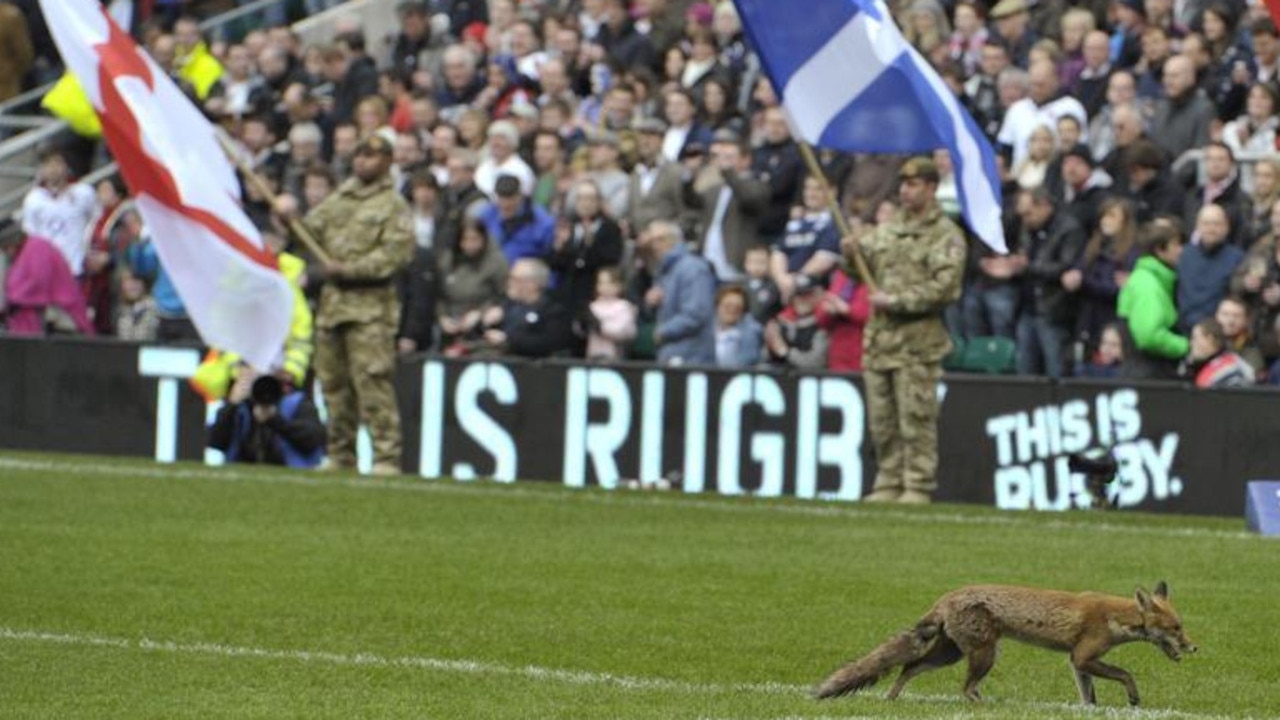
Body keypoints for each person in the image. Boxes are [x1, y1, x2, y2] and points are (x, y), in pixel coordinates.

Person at [843, 157, 966, 504]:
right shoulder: (887, 230)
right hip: (880, 342)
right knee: (882, 421)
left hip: (917, 343)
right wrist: (852, 255)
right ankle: (888, 479)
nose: (905, 191)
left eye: (913, 185)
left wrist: (896, 300)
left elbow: (945, 288)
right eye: (903, 184)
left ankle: (917, 484)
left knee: (916, 419)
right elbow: (860, 270)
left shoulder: (945, 235)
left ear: (931, 188)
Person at [298, 134, 415, 475]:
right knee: (334, 385)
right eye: (360, 154)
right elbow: (307, 231)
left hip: (371, 310)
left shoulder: (393, 204)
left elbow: (395, 256)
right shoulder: (339, 199)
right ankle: (340, 453)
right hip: (333, 307)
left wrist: (348, 270)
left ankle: (386, 456)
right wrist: (286, 215)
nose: (364, 161)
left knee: (372, 383)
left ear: (387, 161)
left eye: (372, 156)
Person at [208, 370, 327, 468]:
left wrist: (276, 420)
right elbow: (214, 441)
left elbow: (313, 440)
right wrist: (231, 405)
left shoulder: (296, 402)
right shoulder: (241, 404)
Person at [1117, 219, 1188, 380]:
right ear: (1160, 251)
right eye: (1176, 245)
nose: (1181, 250)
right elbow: (1149, 336)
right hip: (1148, 376)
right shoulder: (1147, 285)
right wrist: (1186, 346)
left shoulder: (1152, 280)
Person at [0, 218, 93, 336]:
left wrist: (14, 301)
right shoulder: (21, 254)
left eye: (5, 247)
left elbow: (38, 283)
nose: (5, 252)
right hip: (26, 321)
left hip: (55, 319)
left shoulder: (38, 247)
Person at [644, 219, 716, 365]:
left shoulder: (693, 268)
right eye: (652, 241)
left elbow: (697, 313)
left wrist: (663, 332)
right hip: (670, 355)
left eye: (661, 239)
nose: (656, 246)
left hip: (692, 357)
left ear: (676, 240)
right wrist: (651, 304)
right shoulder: (663, 271)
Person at [1180, 318, 1255, 388]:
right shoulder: (1190, 364)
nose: (1191, 344)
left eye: (1195, 338)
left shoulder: (1231, 369)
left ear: (1209, 339)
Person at [585, 266, 637, 361]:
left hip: (614, 355)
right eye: (601, 283)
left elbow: (623, 331)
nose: (605, 287)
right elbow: (583, 331)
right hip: (593, 354)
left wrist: (600, 326)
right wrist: (582, 324)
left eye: (609, 283)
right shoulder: (593, 306)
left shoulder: (623, 307)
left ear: (619, 286)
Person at [712, 284, 762, 368]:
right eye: (727, 306)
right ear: (718, 306)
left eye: (737, 308)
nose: (732, 310)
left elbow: (747, 362)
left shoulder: (750, 334)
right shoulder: (706, 332)